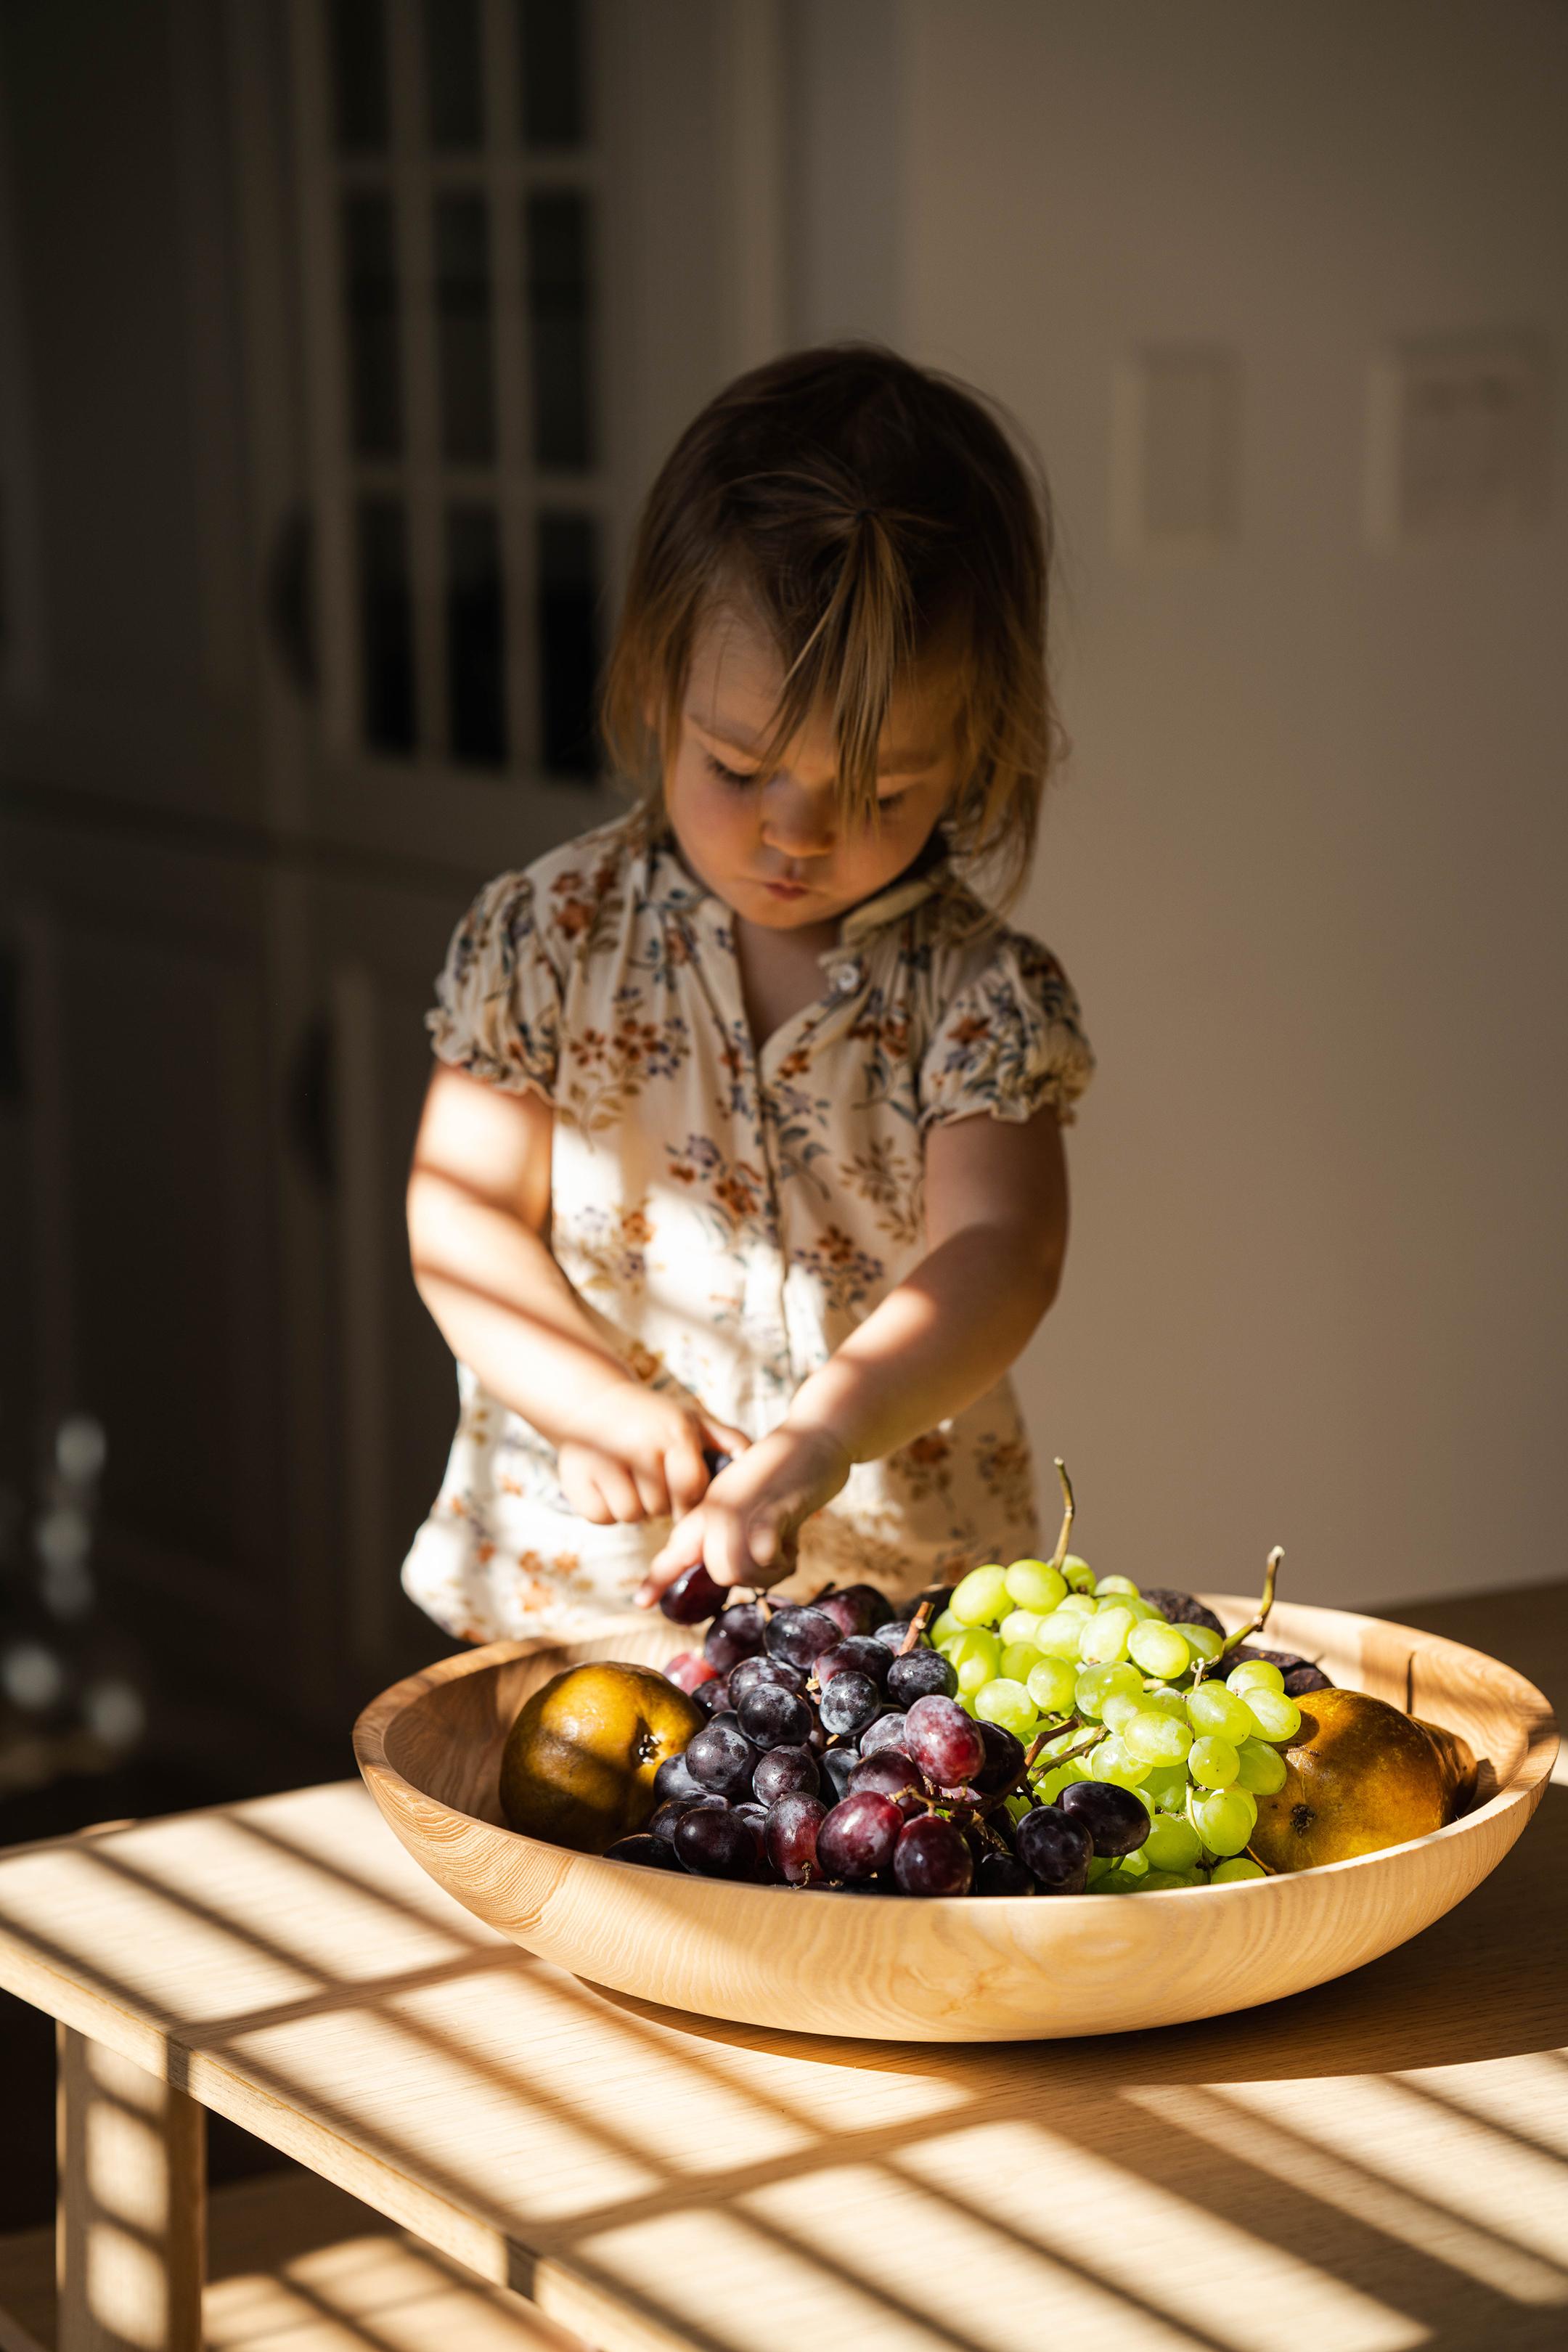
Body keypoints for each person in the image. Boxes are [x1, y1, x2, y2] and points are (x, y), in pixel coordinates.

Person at [402, 343, 1093, 1646]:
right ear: (660, 686)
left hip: (896, 1597)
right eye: (737, 767)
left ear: (974, 754)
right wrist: (593, 1404)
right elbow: (462, 1214)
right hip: (586, 1581)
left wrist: (826, 1432)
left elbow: (1002, 1255)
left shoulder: (981, 997)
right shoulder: (547, 937)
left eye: (882, 793)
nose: (799, 834)